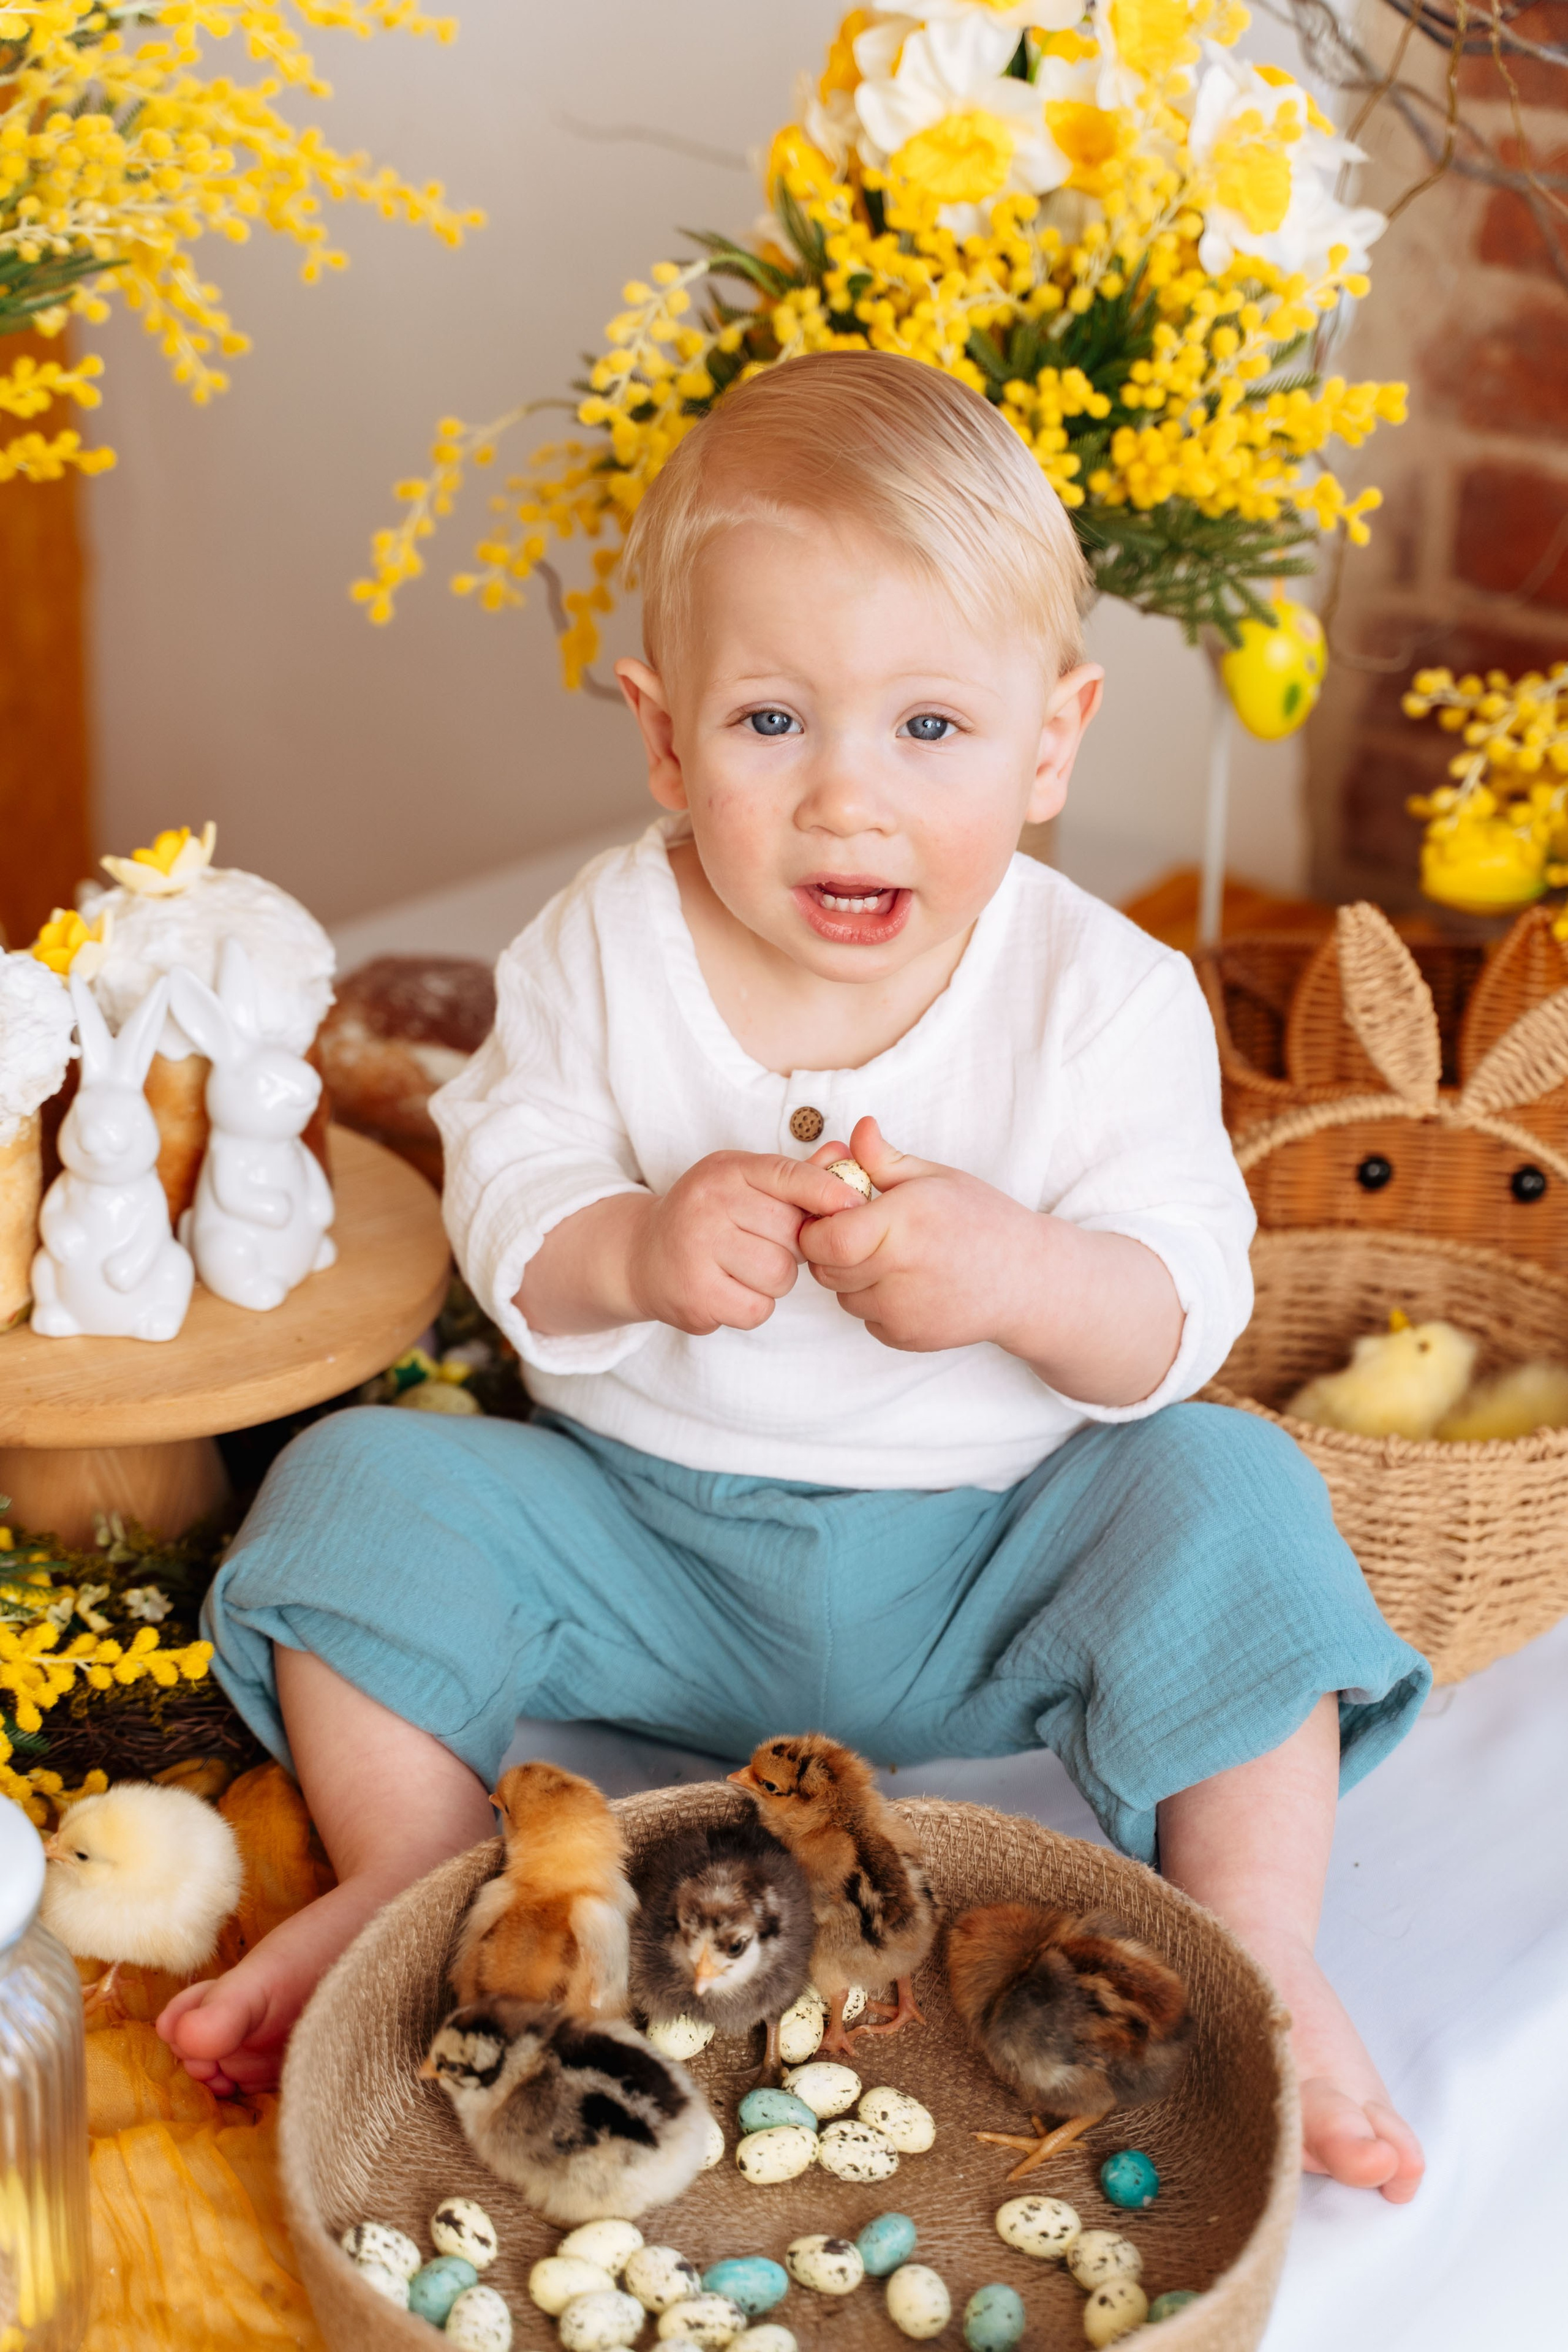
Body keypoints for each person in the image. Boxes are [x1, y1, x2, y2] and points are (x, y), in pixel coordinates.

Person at [159, 350, 1427, 2199]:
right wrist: (636, 1245)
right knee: (364, 1484)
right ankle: (424, 1885)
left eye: (932, 731)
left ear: (1052, 740)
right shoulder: (603, 943)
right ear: (665, 739)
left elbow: (1179, 1308)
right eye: (772, 726)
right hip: (643, 1545)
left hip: (1003, 1563)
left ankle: (1257, 1934)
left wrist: (1018, 1275)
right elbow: (507, 1198)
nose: (849, 799)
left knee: (1231, 1482)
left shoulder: (1103, 994)